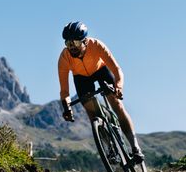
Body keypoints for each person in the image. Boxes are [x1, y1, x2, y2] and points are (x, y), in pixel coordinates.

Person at [58, 21, 144, 163]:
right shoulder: (64, 58)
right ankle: (110, 148)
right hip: (81, 78)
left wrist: (118, 87)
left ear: (85, 41)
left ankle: (135, 147)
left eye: (75, 43)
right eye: (68, 43)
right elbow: (64, 91)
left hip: (101, 71)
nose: (72, 47)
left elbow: (117, 70)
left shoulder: (97, 46)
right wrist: (66, 107)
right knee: (93, 114)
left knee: (117, 106)